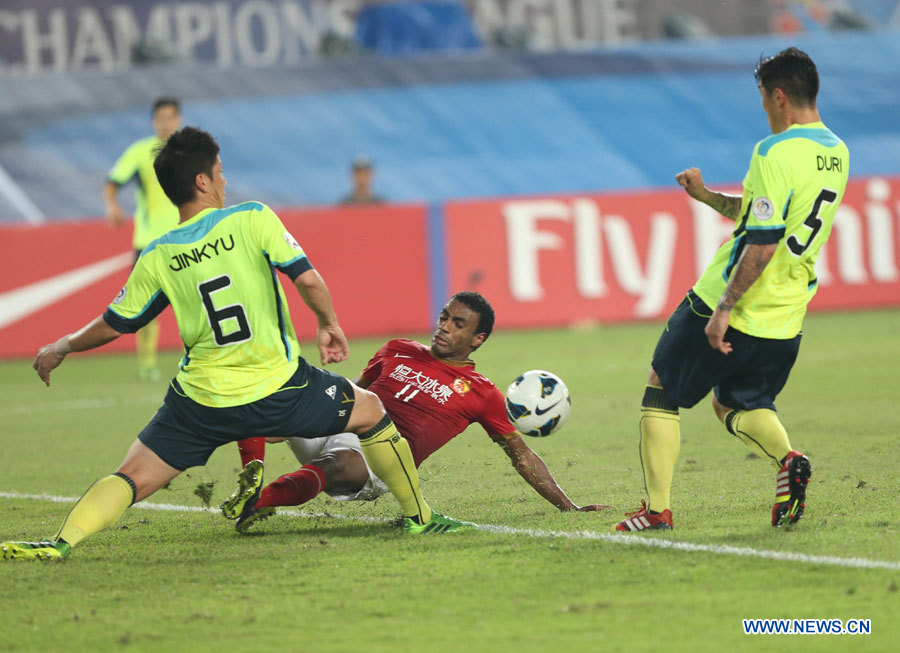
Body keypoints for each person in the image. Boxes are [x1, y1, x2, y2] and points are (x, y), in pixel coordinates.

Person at [0, 127, 467, 562]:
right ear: (203, 181)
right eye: (220, 171)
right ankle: (420, 518)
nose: (225, 179)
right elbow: (307, 278)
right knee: (369, 410)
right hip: (278, 388)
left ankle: (61, 543)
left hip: (199, 401)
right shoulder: (251, 218)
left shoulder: (158, 255)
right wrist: (328, 323)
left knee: (134, 474)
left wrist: (61, 345)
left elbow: (114, 324)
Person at [614, 47, 849, 532]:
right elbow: (766, 216)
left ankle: (657, 510)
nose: (764, 108)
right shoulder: (837, 152)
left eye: (764, 98)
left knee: (661, 392)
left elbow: (762, 239)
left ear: (779, 96)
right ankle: (788, 459)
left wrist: (723, 308)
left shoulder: (774, 150)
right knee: (736, 403)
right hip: (787, 311)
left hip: (732, 299)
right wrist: (706, 197)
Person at [222, 291, 610, 533]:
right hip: (341, 424)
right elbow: (357, 389)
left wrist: (568, 506)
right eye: (444, 316)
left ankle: (257, 502)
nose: (443, 327)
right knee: (273, 396)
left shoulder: (483, 393)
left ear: (478, 340)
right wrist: (292, 421)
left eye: (458, 324)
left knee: (339, 463)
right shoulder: (397, 348)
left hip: (378, 461)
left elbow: (520, 454)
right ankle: (247, 471)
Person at [103, 97, 183, 380]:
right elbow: (113, 182)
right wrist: (113, 206)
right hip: (149, 241)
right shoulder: (139, 152)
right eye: (160, 118)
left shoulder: (189, 151)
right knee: (146, 305)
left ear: (178, 119)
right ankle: (147, 363)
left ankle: (204, 355)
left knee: (196, 298)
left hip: (186, 237)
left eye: (170, 117)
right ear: (154, 121)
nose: (165, 123)